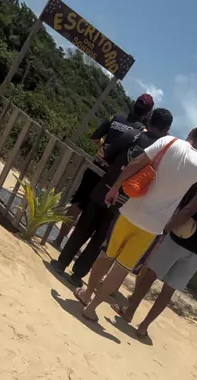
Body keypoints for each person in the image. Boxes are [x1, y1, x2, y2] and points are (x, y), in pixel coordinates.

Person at [75, 122, 197, 322]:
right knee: (121, 269)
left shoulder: (168, 142)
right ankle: (92, 308)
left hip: (130, 212)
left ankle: (87, 294)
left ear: (191, 131)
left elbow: (136, 163)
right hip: (153, 227)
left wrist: (115, 187)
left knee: (106, 256)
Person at [117, 147, 197, 337]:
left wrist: (166, 228)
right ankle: (144, 326)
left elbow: (188, 211)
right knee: (168, 290)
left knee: (150, 275)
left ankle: (129, 311)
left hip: (179, 240)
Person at [50, 108, 173, 283]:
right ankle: (77, 275)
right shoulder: (161, 155)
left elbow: (108, 154)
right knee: (100, 239)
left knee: (83, 227)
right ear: (166, 130)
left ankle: (61, 263)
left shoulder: (133, 135)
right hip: (125, 202)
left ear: (150, 119)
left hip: (105, 189)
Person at [52, 94, 154, 249]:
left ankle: (59, 240)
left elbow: (94, 138)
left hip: (96, 166)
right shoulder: (141, 131)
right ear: (147, 113)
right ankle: (73, 247)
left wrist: (103, 147)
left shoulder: (116, 118)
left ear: (134, 105)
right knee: (94, 214)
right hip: (111, 177)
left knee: (78, 202)